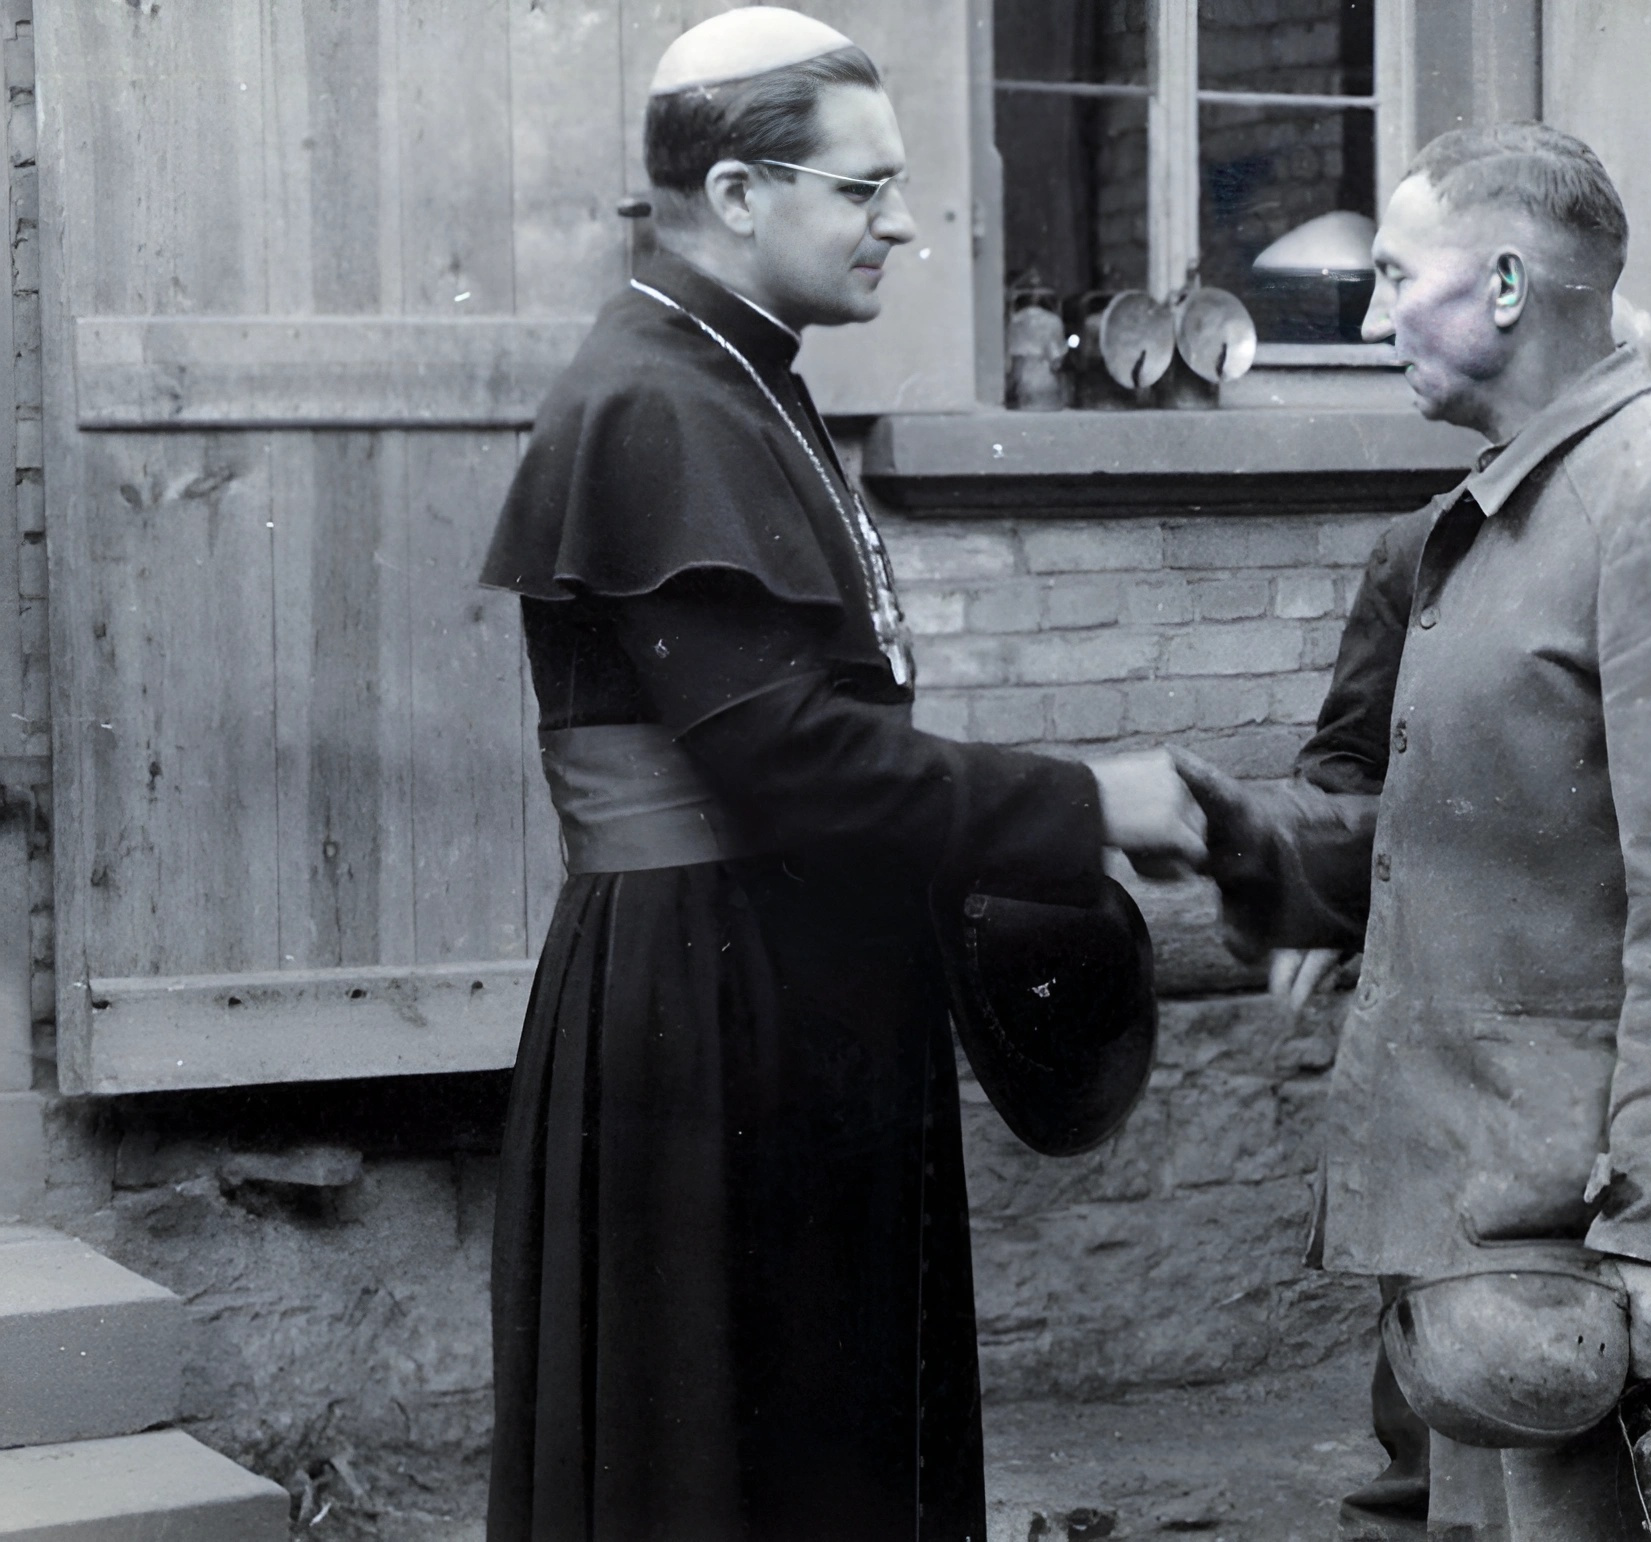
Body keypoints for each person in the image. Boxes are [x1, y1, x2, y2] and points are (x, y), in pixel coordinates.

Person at [475, 11, 1202, 1538]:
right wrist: (1086, 803)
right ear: (740, 195)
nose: (905, 223)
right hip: (707, 1003)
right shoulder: (659, 397)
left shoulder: (735, 373)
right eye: (863, 190)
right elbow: (789, 761)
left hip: (771, 977)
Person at [1178, 122, 1651, 1540]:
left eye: (1397, 273)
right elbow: (1477, 836)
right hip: (1508, 1219)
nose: (1368, 311)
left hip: (1612, 1238)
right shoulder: (1511, 513)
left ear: (1511, 286)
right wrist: (1233, 839)